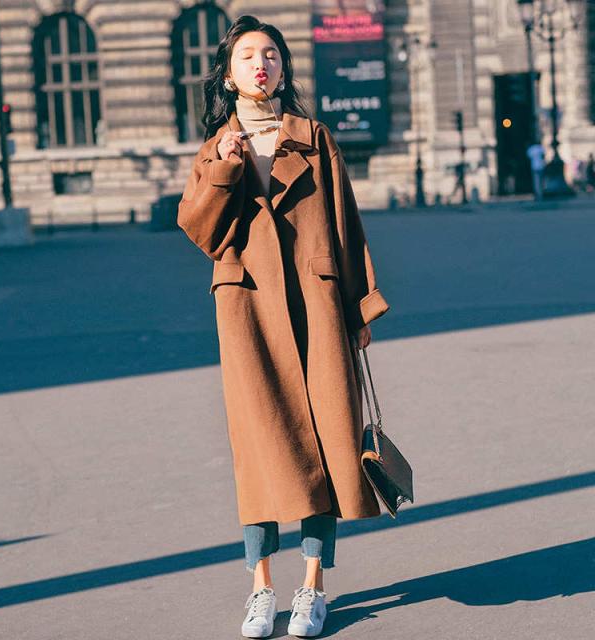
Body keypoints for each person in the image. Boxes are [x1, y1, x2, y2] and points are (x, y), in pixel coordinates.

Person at [177, 15, 391, 639]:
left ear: (283, 68)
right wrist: (224, 169)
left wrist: (360, 308)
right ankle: (261, 589)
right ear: (228, 75)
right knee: (261, 449)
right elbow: (201, 231)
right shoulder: (216, 147)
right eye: (248, 56)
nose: (261, 64)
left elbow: (346, 224)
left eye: (271, 54)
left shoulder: (313, 137)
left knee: (327, 441)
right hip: (247, 310)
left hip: (317, 305)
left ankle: (312, 587)